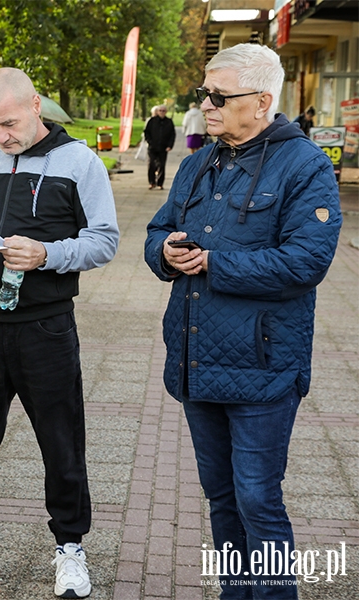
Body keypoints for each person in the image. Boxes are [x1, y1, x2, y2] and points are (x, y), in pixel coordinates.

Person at [144, 44, 341, 599]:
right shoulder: (196, 162)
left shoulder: (305, 165)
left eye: (218, 95)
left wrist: (212, 262)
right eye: (203, 93)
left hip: (262, 367)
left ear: (261, 101)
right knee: (221, 497)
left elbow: (306, 262)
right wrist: (166, 254)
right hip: (196, 357)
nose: (205, 104)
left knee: (258, 498)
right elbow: (157, 231)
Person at [0, 67, 119, 599]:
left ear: (36, 105)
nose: (0, 137)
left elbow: (105, 241)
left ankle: (70, 546)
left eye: (9, 123)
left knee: (61, 442)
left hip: (46, 327)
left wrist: (49, 255)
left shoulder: (80, 162)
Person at [144, 104, 175, 190]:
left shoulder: (169, 122)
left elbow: (172, 135)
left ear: (166, 112)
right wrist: (149, 142)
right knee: (151, 164)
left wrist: (170, 145)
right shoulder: (152, 121)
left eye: (163, 111)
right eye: (160, 111)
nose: (162, 112)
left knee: (162, 165)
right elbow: (147, 132)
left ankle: (160, 183)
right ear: (157, 112)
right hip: (152, 147)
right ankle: (151, 182)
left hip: (163, 147)